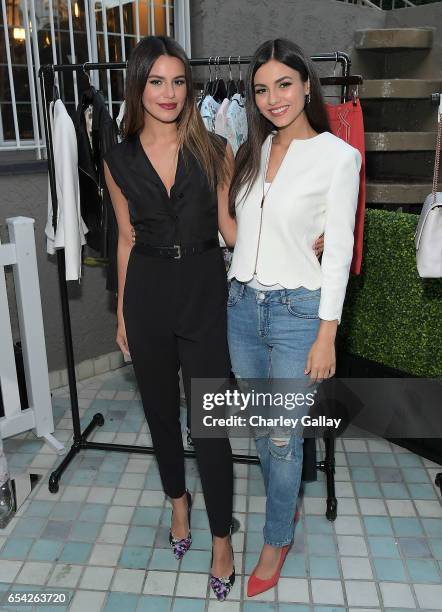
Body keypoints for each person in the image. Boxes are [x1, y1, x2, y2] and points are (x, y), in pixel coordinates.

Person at [103, 35, 237, 601]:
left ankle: (223, 538)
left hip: (204, 288)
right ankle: (177, 505)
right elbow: (126, 240)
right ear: (138, 85)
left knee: (210, 421)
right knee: (160, 414)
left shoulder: (216, 147)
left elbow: (233, 231)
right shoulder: (117, 158)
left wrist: (303, 244)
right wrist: (122, 313)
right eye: (157, 81)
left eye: (178, 81)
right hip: (149, 293)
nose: (169, 92)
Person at [226, 39, 362, 597]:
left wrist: (327, 333)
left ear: (308, 84)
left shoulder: (339, 157)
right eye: (261, 89)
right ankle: (290, 505)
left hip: (297, 314)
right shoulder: (249, 152)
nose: (272, 98)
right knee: (265, 429)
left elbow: (339, 251)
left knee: (281, 437)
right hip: (240, 309)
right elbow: (244, 235)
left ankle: (276, 536)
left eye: (284, 84)